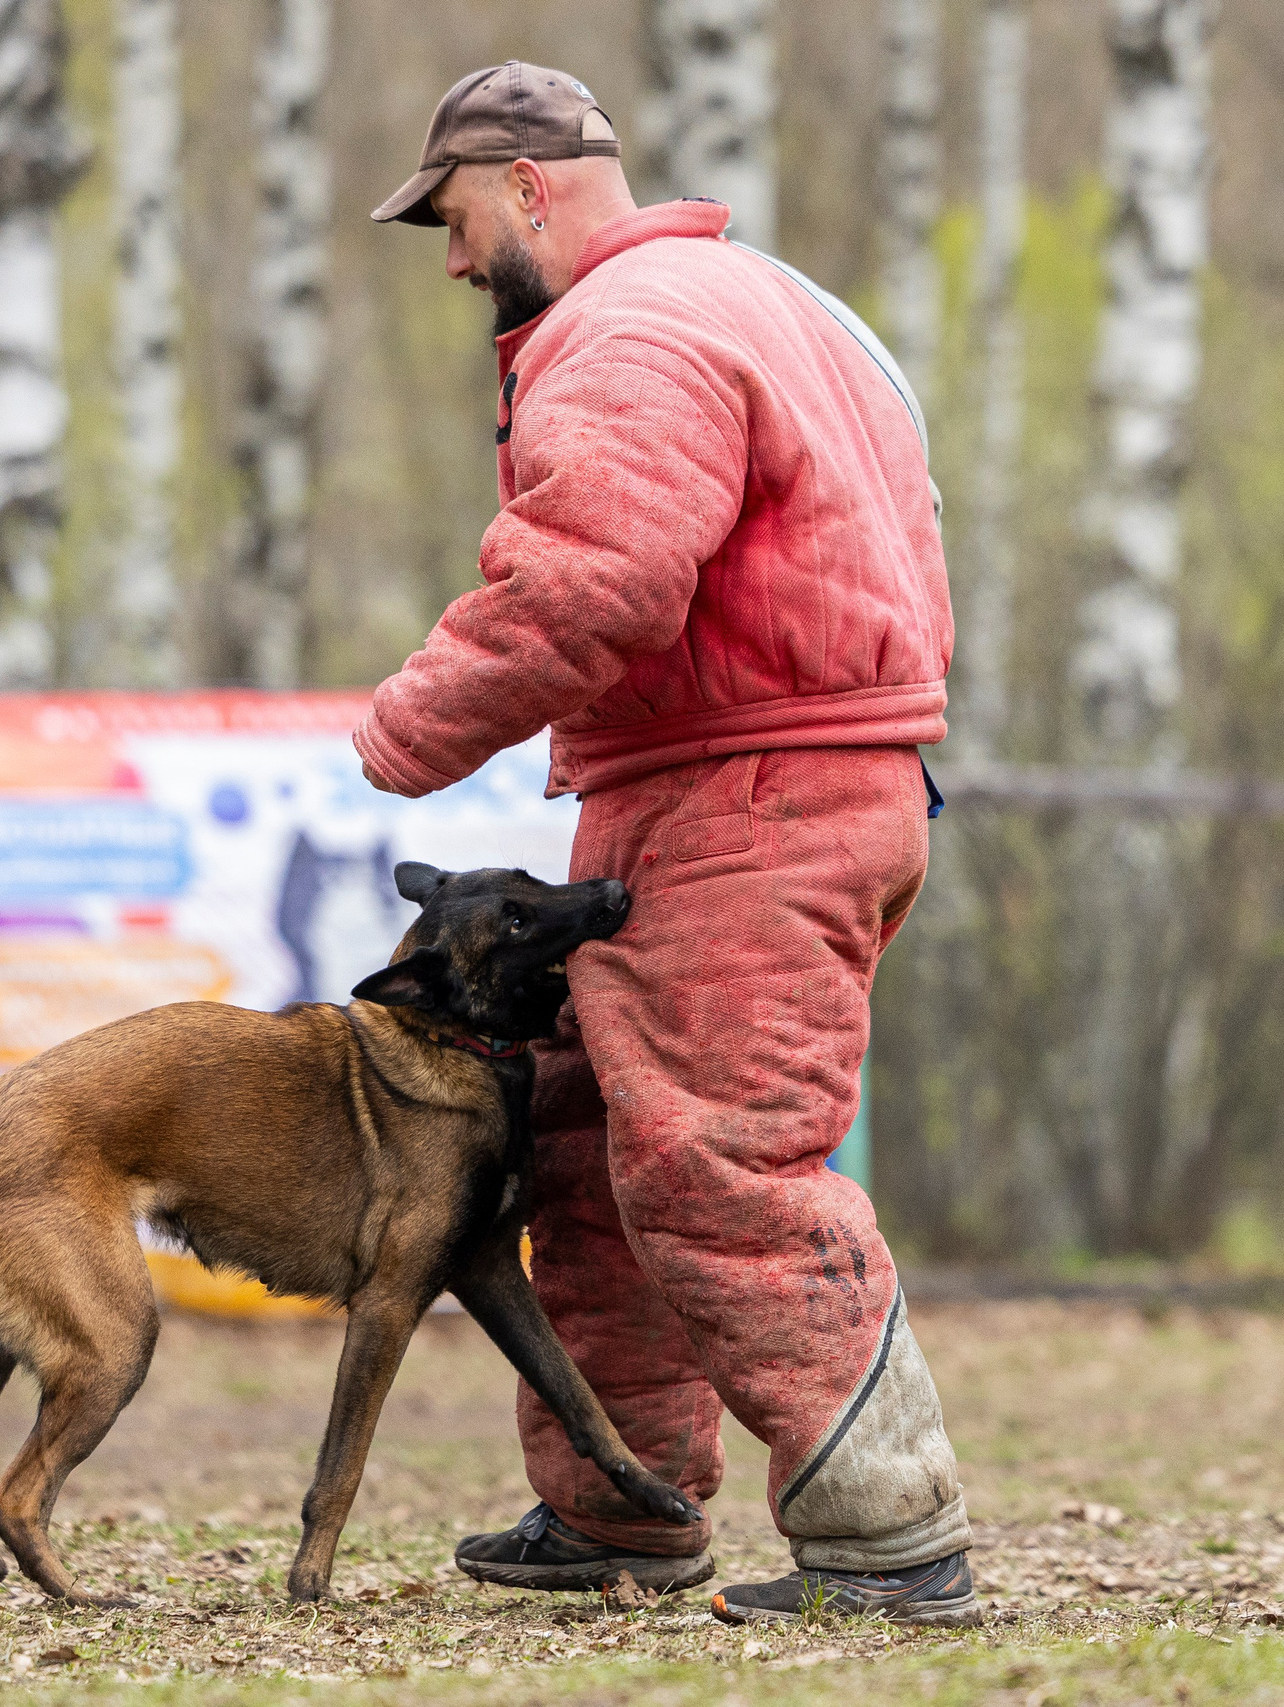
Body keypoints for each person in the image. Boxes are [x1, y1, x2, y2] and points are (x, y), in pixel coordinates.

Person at [357, 62, 976, 1628]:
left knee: (724, 1163)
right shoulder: (773, 299)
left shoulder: (627, 331)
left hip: (757, 792)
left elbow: (597, 580)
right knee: (573, 1148)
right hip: (749, 770)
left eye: (452, 215)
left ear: (529, 187)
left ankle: (888, 1536)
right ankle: (620, 1509)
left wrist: (408, 730)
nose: (447, 257)